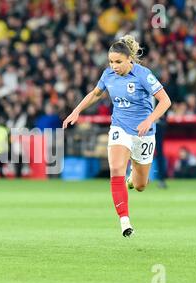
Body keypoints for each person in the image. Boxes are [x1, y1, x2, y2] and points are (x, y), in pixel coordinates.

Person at [63, 35, 172, 237]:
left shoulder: (143, 75)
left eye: (118, 62)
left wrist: (150, 120)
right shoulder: (108, 75)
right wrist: (76, 111)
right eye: (111, 62)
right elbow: (96, 94)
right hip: (119, 128)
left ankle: (133, 178)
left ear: (129, 59)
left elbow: (165, 101)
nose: (114, 66)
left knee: (140, 186)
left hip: (144, 133)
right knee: (115, 168)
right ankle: (125, 221)